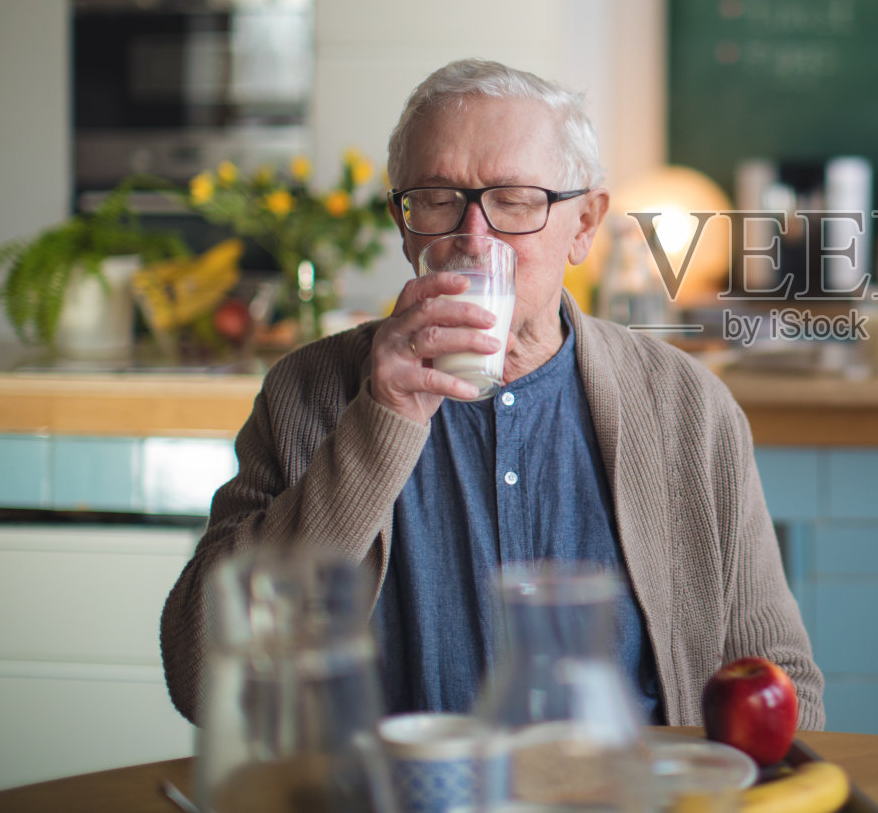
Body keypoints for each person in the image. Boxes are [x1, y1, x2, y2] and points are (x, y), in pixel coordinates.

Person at [160, 58, 823, 728]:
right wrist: (381, 424)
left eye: (514, 201)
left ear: (585, 224)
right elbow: (201, 678)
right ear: (402, 221)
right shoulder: (305, 392)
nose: (472, 240)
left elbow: (781, 679)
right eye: (439, 199)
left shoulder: (688, 407)